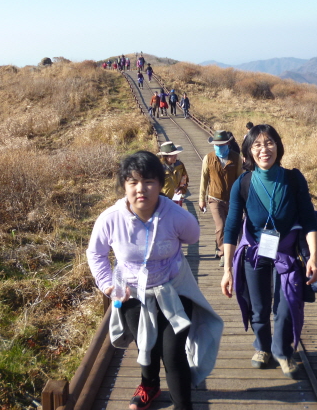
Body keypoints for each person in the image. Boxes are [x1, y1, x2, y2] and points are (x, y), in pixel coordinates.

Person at [86, 151, 223, 410]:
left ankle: (184, 405)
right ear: (124, 185)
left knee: (172, 353)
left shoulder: (175, 215)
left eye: (149, 181)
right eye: (133, 181)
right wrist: (107, 284)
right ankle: (149, 385)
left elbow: (192, 236)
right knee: (146, 345)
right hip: (132, 293)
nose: (141, 189)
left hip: (174, 289)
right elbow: (96, 253)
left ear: (160, 184)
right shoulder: (111, 219)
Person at [220, 124, 317, 377]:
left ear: (278, 146)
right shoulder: (242, 184)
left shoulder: (293, 179)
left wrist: (314, 257)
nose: (264, 150)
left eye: (269, 143)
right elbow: (231, 227)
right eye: (257, 145)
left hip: (286, 253)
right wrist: (227, 270)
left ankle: (282, 350)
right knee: (259, 306)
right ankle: (262, 347)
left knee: (287, 304)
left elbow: (309, 219)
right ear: (248, 153)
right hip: (254, 253)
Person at [199, 130, 243, 267]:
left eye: (221, 144)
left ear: (227, 143)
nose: (219, 147)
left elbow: (240, 179)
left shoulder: (236, 158)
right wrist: (202, 198)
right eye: (216, 144)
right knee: (221, 225)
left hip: (232, 199)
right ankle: (223, 253)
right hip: (214, 198)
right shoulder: (209, 158)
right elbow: (204, 179)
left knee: (231, 226)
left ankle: (223, 247)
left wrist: (242, 199)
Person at [158, 141, 189, 207]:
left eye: (176, 154)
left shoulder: (180, 165)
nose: (175, 156)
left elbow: (185, 179)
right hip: (163, 201)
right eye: (172, 155)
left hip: (176, 200)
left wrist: (182, 189)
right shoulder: (158, 168)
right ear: (165, 156)